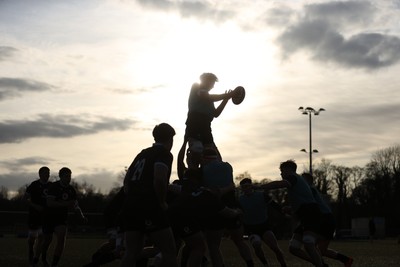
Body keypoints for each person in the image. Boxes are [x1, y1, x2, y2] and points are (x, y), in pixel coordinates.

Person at [121, 123, 178, 267]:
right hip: (149, 204)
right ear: (170, 139)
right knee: (169, 250)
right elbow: (159, 178)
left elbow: (126, 181)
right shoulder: (164, 154)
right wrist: (161, 201)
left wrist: (134, 196)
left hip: (131, 204)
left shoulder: (142, 153)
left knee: (131, 252)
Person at [261, 160, 324, 267]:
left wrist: (260, 187)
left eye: (282, 171)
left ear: (288, 170)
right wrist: (290, 209)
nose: (281, 174)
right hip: (305, 216)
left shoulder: (293, 177)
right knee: (294, 248)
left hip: (311, 215)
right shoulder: (296, 182)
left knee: (308, 242)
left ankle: (320, 264)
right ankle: (318, 263)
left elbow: (280, 184)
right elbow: (302, 202)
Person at [201, 148, 255, 267]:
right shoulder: (227, 166)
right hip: (232, 205)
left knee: (213, 245)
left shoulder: (203, 170)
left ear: (204, 158)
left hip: (215, 209)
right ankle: (250, 264)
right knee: (239, 241)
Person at [287, 173, 353, 267]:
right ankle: (345, 260)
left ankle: (323, 264)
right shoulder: (307, 191)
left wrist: (292, 211)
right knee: (316, 249)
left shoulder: (309, 190)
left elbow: (309, 207)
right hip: (315, 219)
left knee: (311, 245)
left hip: (322, 219)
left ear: (308, 181)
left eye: (302, 179)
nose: (299, 181)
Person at [41, 167, 87, 267]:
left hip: (61, 219)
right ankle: (43, 256)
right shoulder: (54, 187)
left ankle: (54, 264)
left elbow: (75, 205)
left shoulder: (71, 190)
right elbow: (49, 203)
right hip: (48, 217)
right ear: (60, 177)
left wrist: (82, 216)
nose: (69, 178)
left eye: (70, 176)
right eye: (66, 176)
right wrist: (65, 204)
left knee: (61, 238)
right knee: (47, 241)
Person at [239, 178, 287, 267]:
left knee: (274, 247)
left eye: (247, 186)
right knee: (256, 244)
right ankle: (265, 264)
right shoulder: (240, 199)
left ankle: (283, 264)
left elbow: (275, 205)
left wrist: (285, 213)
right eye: (243, 187)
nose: (246, 189)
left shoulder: (262, 195)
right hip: (250, 228)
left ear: (251, 186)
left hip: (264, 225)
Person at [184, 73, 234, 157]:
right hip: (195, 124)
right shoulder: (196, 86)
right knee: (196, 153)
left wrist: (226, 99)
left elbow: (216, 113)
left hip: (206, 126)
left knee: (214, 156)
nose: (213, 86)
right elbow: (206, 97)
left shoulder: (210, 100)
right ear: (206, 81)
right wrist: (227, 95)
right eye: (212, 83)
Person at [25, 166, 51, 267]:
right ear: (40, 174)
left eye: (48, 173)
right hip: (34, 215)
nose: (47, 175)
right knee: (32, 239)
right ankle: (31, 250)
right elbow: (25, 199)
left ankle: (39, 258)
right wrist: (35, 206)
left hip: (45, 217)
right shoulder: (34, 185)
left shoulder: (51, 186)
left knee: (43, 237)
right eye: (45, 173)